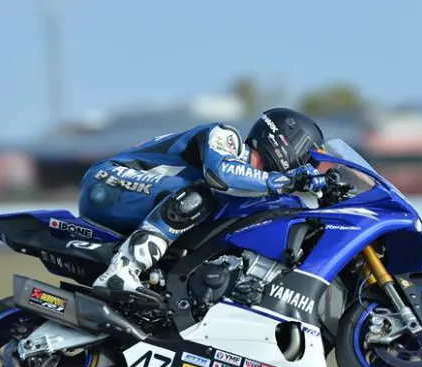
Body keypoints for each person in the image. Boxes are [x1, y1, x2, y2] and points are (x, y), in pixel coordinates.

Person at [79, 107, 327, 300]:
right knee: (199, 195)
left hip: (140, 200)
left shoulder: (255, 189)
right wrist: (284, 180)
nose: (308, 164)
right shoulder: (226, 137)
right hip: (109, 181)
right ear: (286, 141)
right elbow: (220, 174)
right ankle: (122, 270)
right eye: (307, 153)